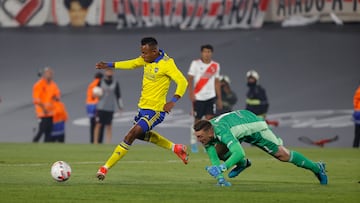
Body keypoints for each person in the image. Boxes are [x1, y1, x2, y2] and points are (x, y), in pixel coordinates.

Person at [95, 37, 189, 180]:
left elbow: (182, 82)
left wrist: (173, 101)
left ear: (154, 51)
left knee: (130, 135)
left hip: (156, 110)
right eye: (142, 52)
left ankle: (104, 168)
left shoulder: (167, 64)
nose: (142, 56)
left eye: (145, 53)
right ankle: (176, 148)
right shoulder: (146, 59)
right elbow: (131, 64)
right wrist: (109, 64)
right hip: (143, 108)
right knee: (140, 135)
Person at [193, 109, 328, 186]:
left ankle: (317, 168)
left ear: (210, 132)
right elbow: (213, 156)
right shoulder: (208, 132)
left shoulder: (222, 132)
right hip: (239, 129)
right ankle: (243, 164)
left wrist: (222, 168)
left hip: (254, 127)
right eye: (197, 137)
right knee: (219, 151)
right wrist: (221, 179)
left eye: (199, 137)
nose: (198, 140)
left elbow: (239, 152)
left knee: (283, 155)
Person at [188, 44, 222, 153]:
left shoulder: (215, 66)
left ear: (211, 53)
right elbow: (190, 79)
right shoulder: (195, 64)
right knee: (197, 121)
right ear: (201, 53)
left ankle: (207, 144)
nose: (207, 54)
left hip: (210, 97)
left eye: (209, 52)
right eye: (205, 52)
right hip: (199, 97)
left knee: (209, 122)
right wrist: (191, 93)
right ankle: (193, 142)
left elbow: (217, 82)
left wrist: (219, 98)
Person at [93, 68, 123, 144]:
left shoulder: (115, 83)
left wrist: (120, 107)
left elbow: (118, 95)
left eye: (110, 71)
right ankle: (95, 142)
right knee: (98, 124)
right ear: (105, 72)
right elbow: (95, 94)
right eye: (108, 71)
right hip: (101, 107)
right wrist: (98, 94)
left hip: (110, 107)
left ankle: (108, 143)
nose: (109, 73)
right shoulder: (100, 82)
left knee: (109, 125)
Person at [32, 67, 61, 143]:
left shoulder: (53, 85)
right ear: (44, 74)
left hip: (51, 112)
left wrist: (56, 98)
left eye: (51, 73)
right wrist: (44, 108)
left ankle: (46, 145)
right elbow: (37, 99)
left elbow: (57, 95)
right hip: (42, 112)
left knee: (49, 132)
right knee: (42, 129)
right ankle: (34, 142)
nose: (50, 75)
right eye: (48, 73)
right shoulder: (38, 85)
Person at [86, 72, 105, 143]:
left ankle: (92, 141)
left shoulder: (91, 85)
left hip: (89, 106)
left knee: (92, 124)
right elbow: (98, 95)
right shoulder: (99, 84)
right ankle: (99, 141)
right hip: (97, 106)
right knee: (100, 124)